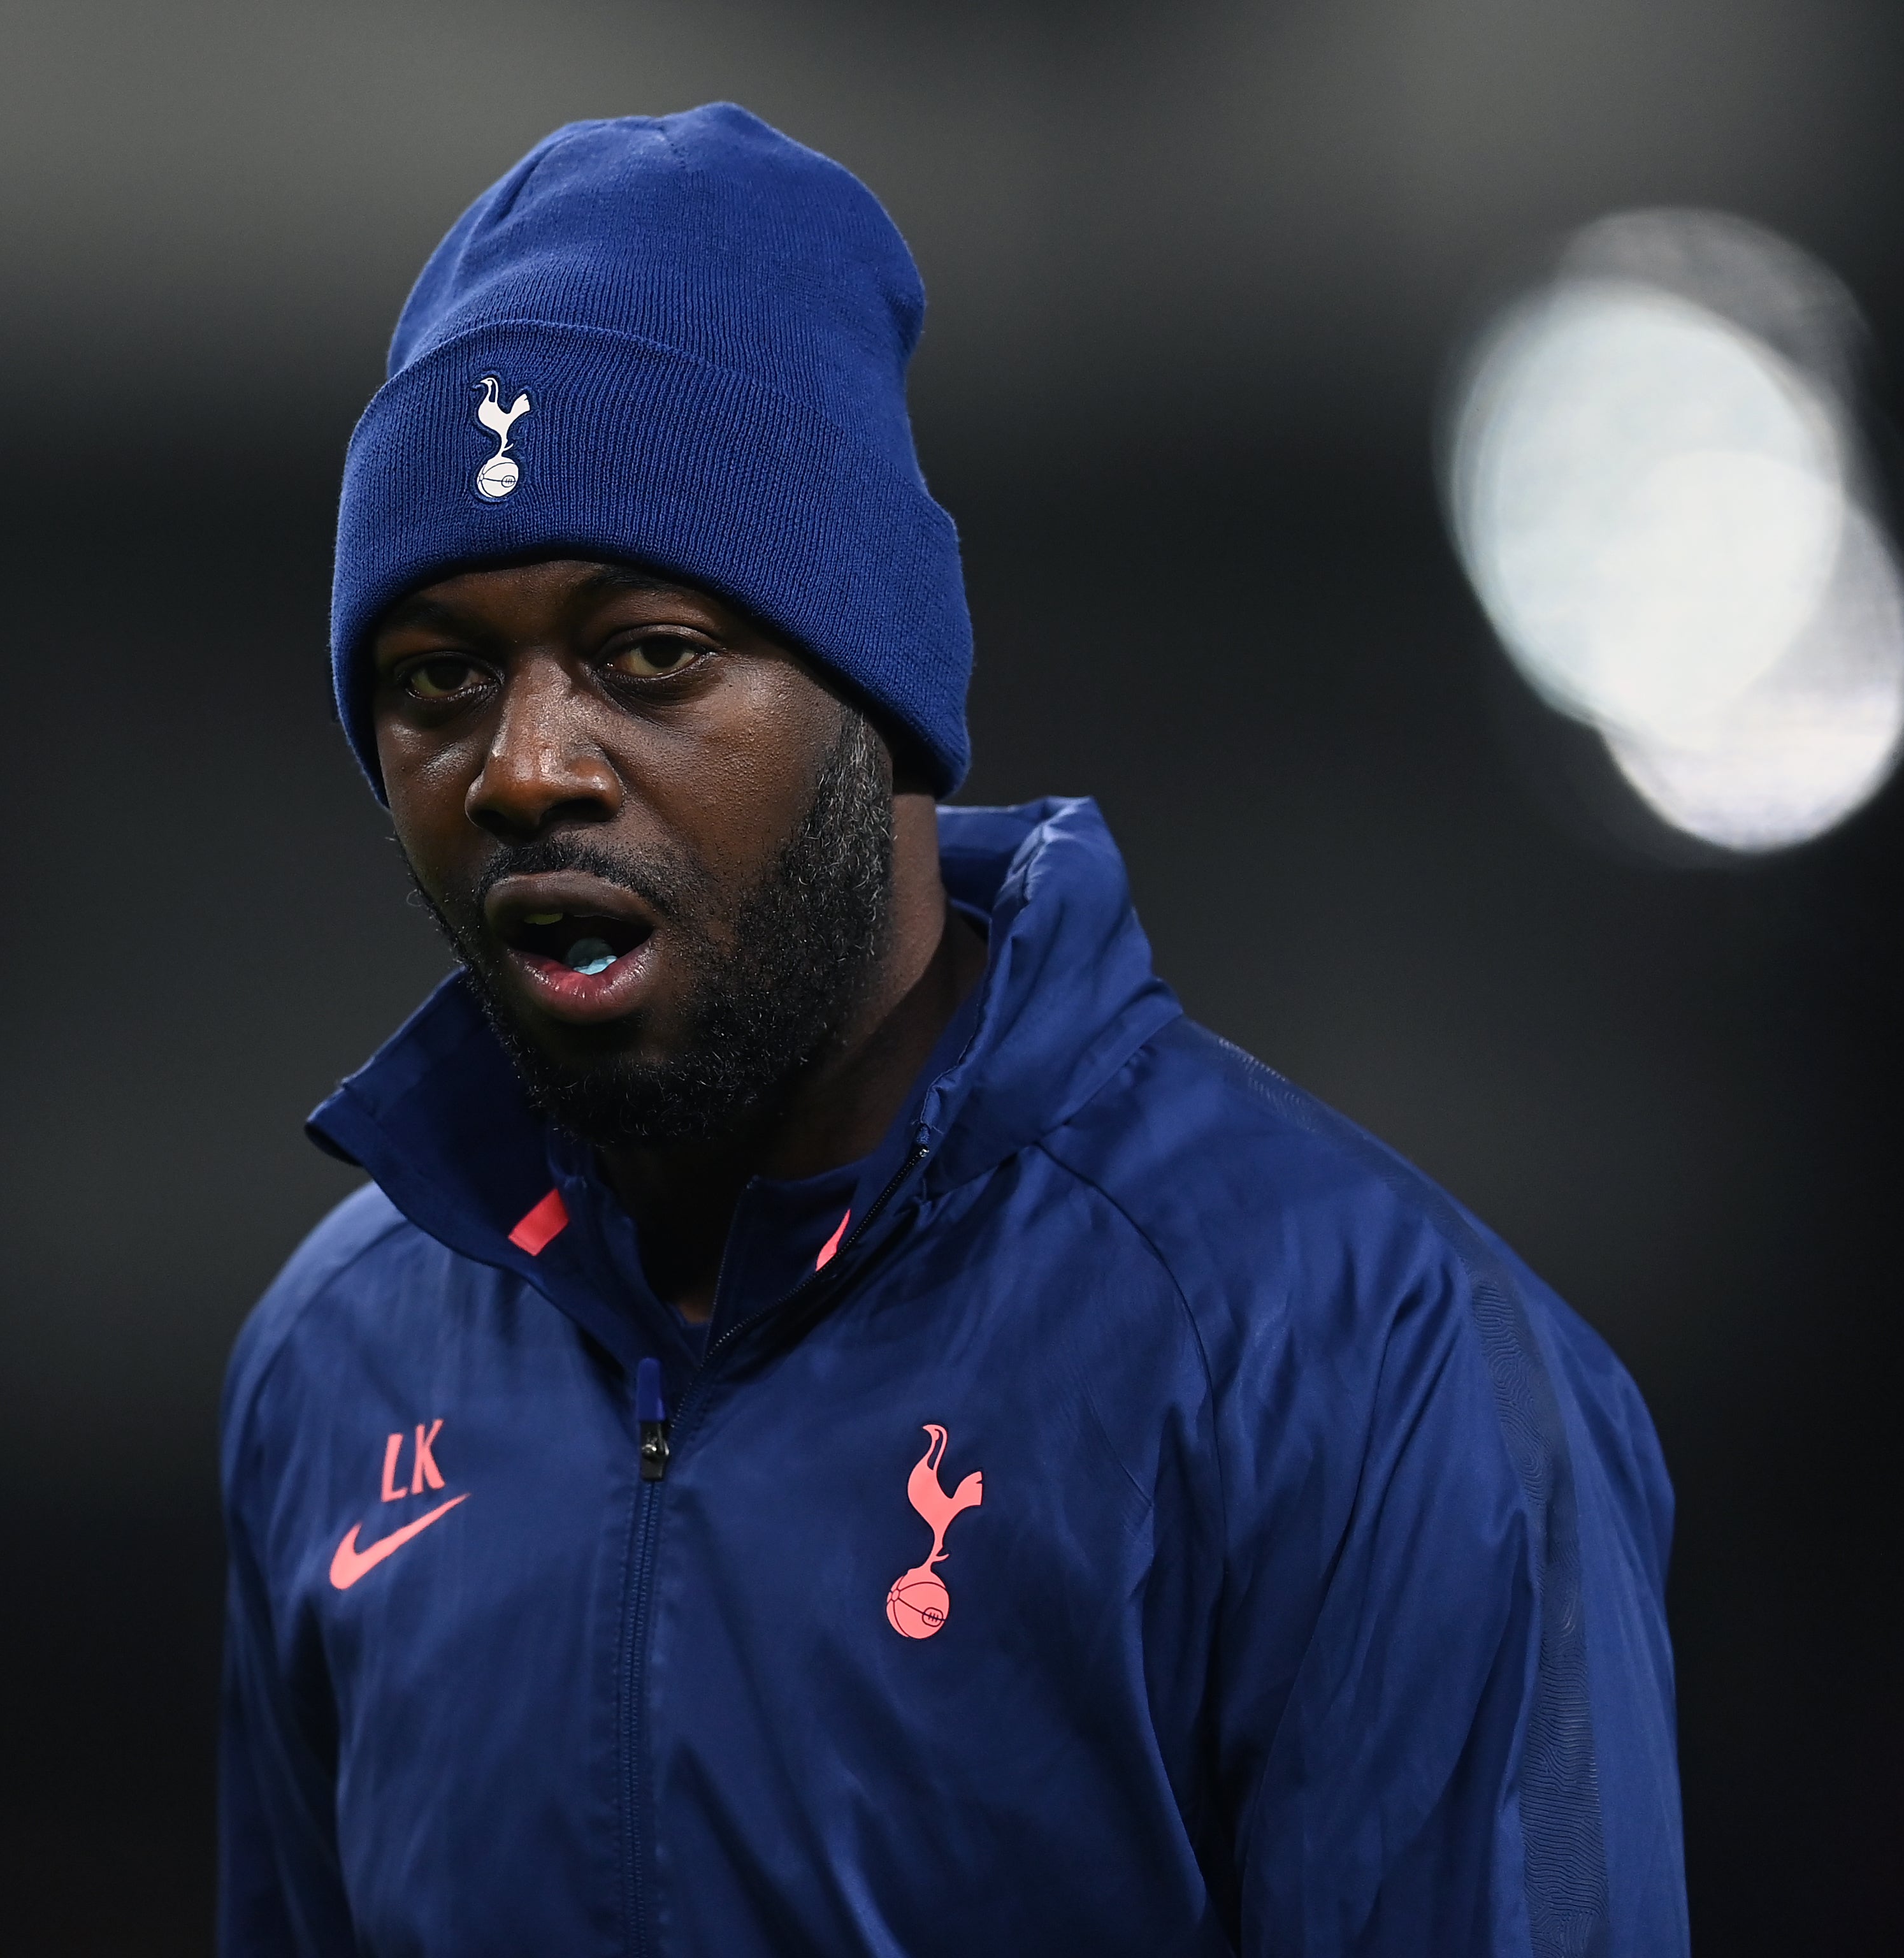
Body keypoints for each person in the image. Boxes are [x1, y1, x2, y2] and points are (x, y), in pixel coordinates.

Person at [217, 104, 1686, 1957]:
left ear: (880, 701)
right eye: (436, 678)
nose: (524, 767)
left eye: (647, 653)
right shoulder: (332, 1365)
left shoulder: (1361, 1361)